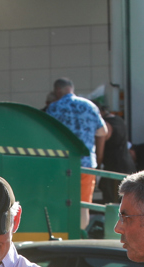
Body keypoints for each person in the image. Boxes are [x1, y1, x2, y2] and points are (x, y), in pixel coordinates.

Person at [45, 78, 108, 229]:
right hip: (86, 164)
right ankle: (80, 234)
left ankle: (62, 233)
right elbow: (103, 131)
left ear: (58, 91)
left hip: (61, 165)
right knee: (83, 205)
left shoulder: (53, 108)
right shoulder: (89, 106)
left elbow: (46, 135)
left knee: (61, 201)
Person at [98, 103, 136, 203]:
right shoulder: (118, 120)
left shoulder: (105, 126)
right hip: (127, 165)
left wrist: (97, 166)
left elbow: (99, 153)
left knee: (113, 201)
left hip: (114, 168)